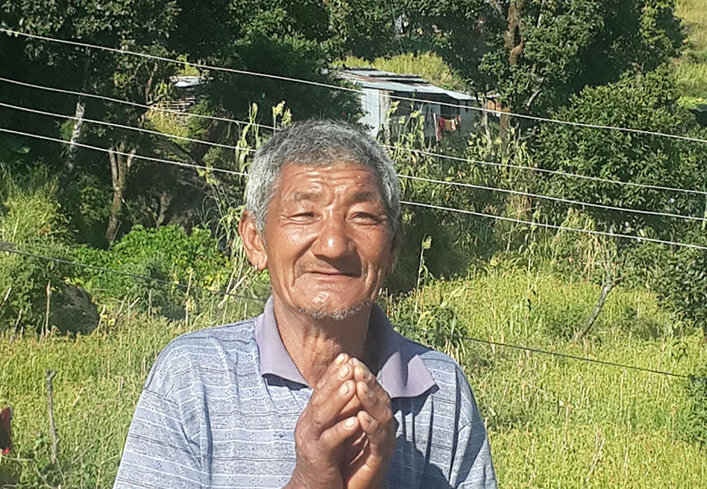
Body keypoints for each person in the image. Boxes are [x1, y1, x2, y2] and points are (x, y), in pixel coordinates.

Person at [114, 120, 497, 489]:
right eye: (304, 215)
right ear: (256, 240)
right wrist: (308, 483)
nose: (333, 245)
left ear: (393, 247)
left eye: (362, 216)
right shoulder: (194, 376)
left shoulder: (440, 390)